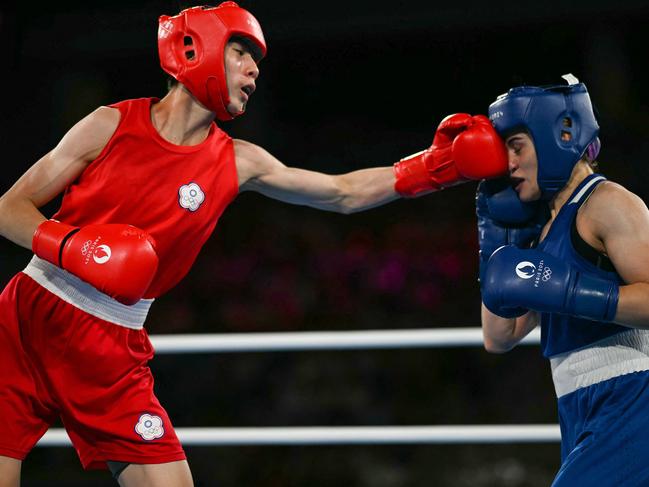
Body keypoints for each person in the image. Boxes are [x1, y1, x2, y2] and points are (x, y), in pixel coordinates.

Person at [0, 3, 508, 486]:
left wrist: (433, 169)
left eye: (256, 60)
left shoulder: (237, 161)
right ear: (195, 50)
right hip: (27, 315)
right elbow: (9, 208)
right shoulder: (109, 124)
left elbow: (342, 192)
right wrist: (76, 249)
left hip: (110, 342)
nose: (254, 70)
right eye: (241, 53)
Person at [477, 74, 649, 485]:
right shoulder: (542, 231)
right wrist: (493, 246)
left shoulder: (608, 203)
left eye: (516, 148)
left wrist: (572, 291)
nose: (509, 165)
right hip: (578, 406)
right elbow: (498, 337)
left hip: (634, 396)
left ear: (562, 133)